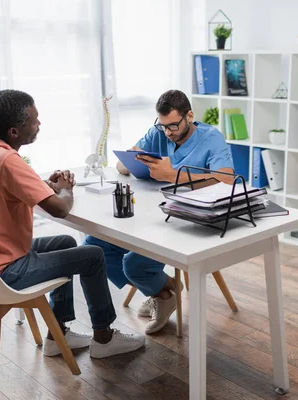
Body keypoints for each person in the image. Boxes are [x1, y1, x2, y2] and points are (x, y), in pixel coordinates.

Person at [0, 89, 145, 359]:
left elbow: (10, 188)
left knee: (66, 242)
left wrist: (45, 185)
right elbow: (59, 209)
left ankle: (59, 333)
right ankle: (104, 338)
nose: (39, 124)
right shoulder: (9, 160)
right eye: (34, 120)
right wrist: (66, 189)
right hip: (6, 270)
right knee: (93, 255)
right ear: (14, 131)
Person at [84, 89, 234, 334]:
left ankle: (160, 292)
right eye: (162, 125)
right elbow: (122, 165)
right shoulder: (158, 132)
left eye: (173, 126)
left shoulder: (211, 138)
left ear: (189, 116)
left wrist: (173, 175)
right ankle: (164, 292)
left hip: (190, 223)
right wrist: (132, 162)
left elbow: (226, 180)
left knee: (133, 263)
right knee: (94, 247)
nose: (167, 133)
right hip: (152, 215)